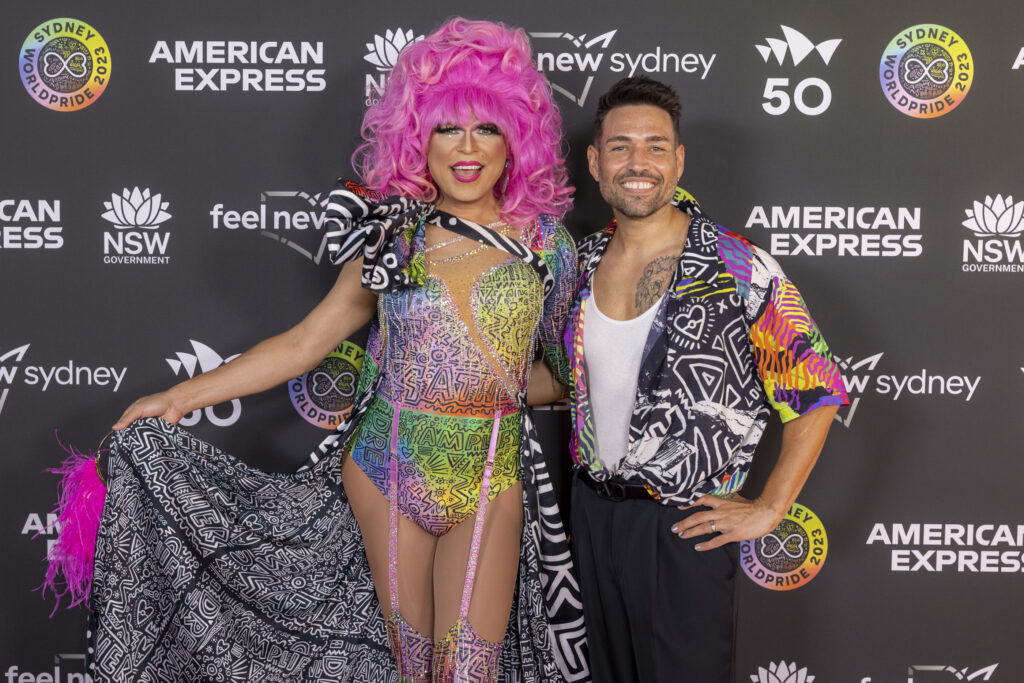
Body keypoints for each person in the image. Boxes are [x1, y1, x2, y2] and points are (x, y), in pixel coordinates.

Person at [89, 19, 590, 683]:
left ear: (515, 137)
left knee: (467, 671)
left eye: (486, 128)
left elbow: (565, 374)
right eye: (447, 127)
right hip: (387, 467)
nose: (467, 149)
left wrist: (478, 389)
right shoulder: (392, 234)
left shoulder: (549, 246)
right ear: (418, 135)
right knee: (411, 668)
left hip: (489, 477)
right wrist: (181, 395)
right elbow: (304, 342)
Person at [549, 76, 849, 682]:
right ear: (595, 161)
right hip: (589, 516)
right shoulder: (575, 263)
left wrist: (770, 506)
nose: (639, 163)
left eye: (656, 147)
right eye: (620, 146)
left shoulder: (738, 264)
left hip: (683, 526)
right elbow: (560, 381)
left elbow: (816, 389)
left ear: (679, 160)